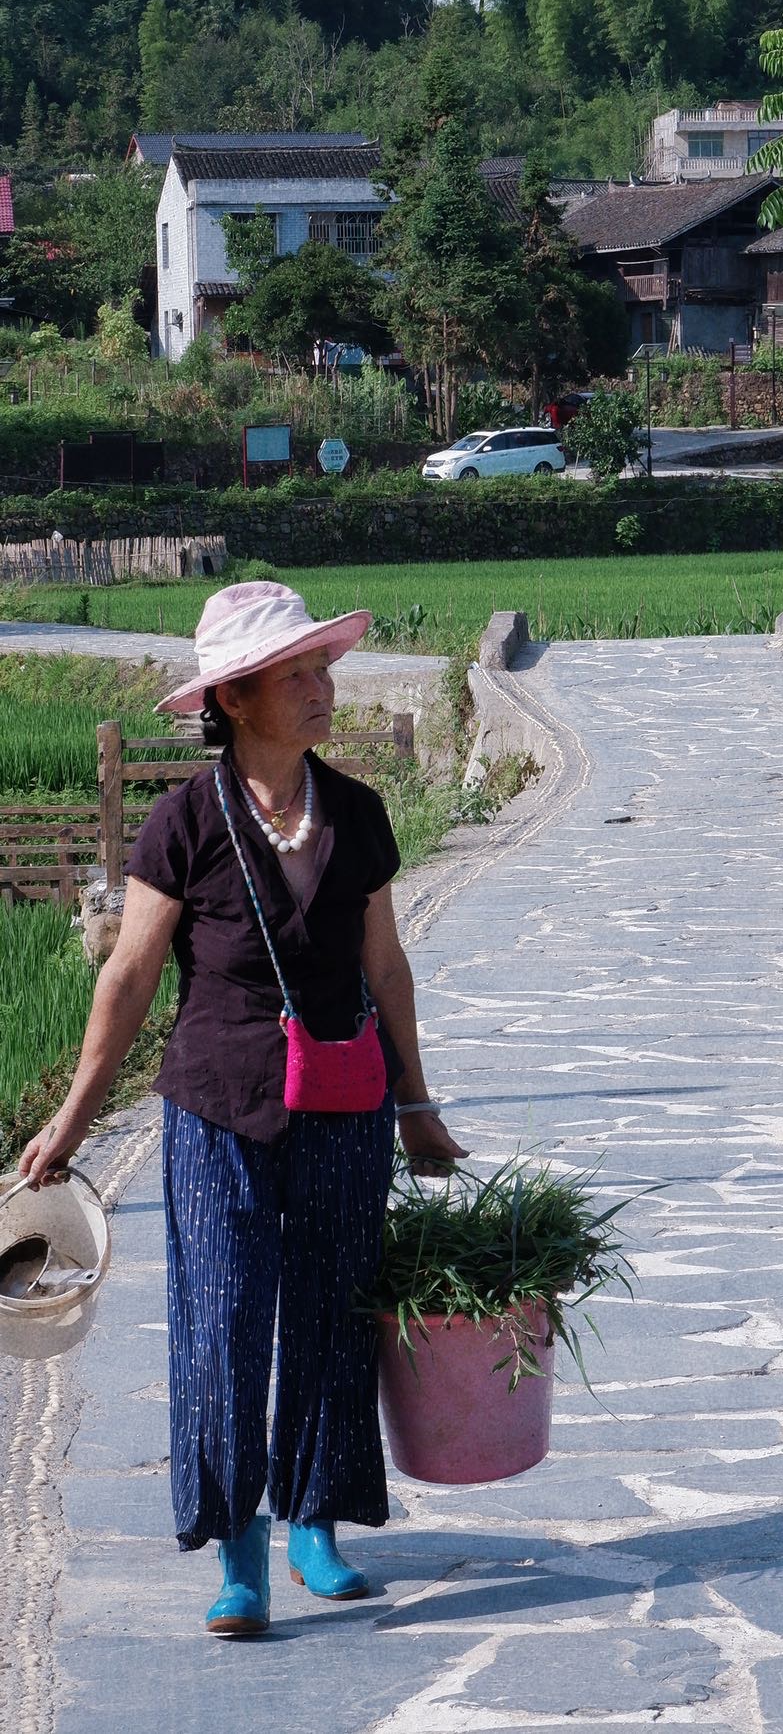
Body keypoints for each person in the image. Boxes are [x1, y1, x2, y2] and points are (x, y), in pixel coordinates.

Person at [20, 581, 467, 1637]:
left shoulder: (355, 813)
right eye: (297, 674)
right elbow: (127, 976)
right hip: (217, 1106)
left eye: (322, 667)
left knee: (330, 1310)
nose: (321, 687)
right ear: (235, 697)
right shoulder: (184, 823)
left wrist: (417, 1103)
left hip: (345, 1102)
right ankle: (238, 1548)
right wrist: (75, 1118)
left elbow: (387, 969)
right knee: (222, 1320)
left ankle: (315, 1520)